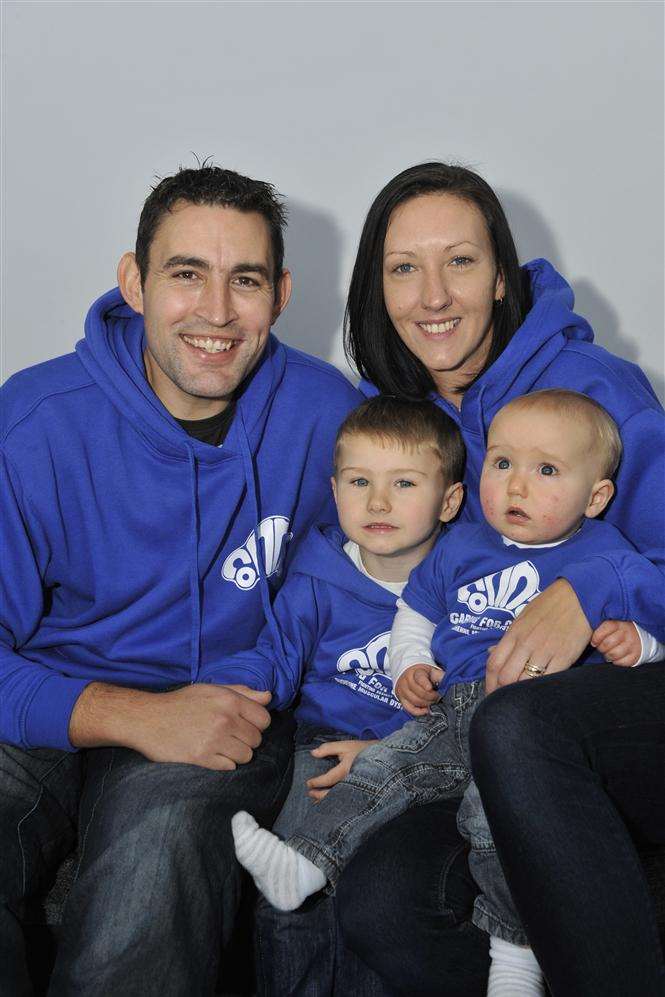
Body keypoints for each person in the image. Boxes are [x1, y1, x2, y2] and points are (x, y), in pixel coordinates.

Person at [253, 162, 664, 997]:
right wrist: (406, 741)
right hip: (476, 728)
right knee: (380, 903)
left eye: (461, 262)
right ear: (378, 287)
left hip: (625, 701)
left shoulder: (596, 398)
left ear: (502, 277)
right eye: (404, 267)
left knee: (516, 725)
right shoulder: (398, 430)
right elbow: (396, 608)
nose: (432, 295)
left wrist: (586, 595)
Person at [0, 164, 360, 995]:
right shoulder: (35, 420)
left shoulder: (322, 414)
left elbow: (384, 577)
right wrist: (122, 712)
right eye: (186, 274)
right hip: (48, 693)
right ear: (133, 281)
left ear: (280, 293)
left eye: (246, 280)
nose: (216, 311)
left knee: (153, 859)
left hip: (218, 708)